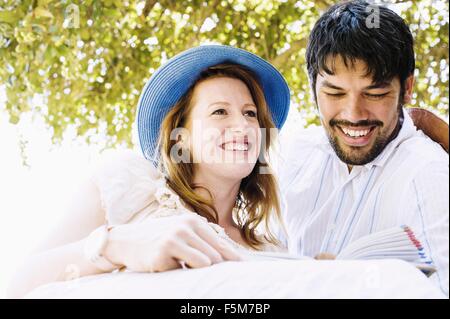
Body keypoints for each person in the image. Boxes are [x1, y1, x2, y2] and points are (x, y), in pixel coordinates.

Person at [7, 45, 290, 298]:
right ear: (180, 137)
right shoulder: (128, 188)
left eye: (250, 114)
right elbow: (19, 286)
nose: (242, 126)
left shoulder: (271, 251)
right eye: (219, 112)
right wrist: (116, 245)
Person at [277, 0, 449, 296]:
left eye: (375, 92)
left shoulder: (428, 175)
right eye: (334, 92)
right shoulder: (294, 156)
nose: (353, 114)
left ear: (406, 89)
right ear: (313, 88)